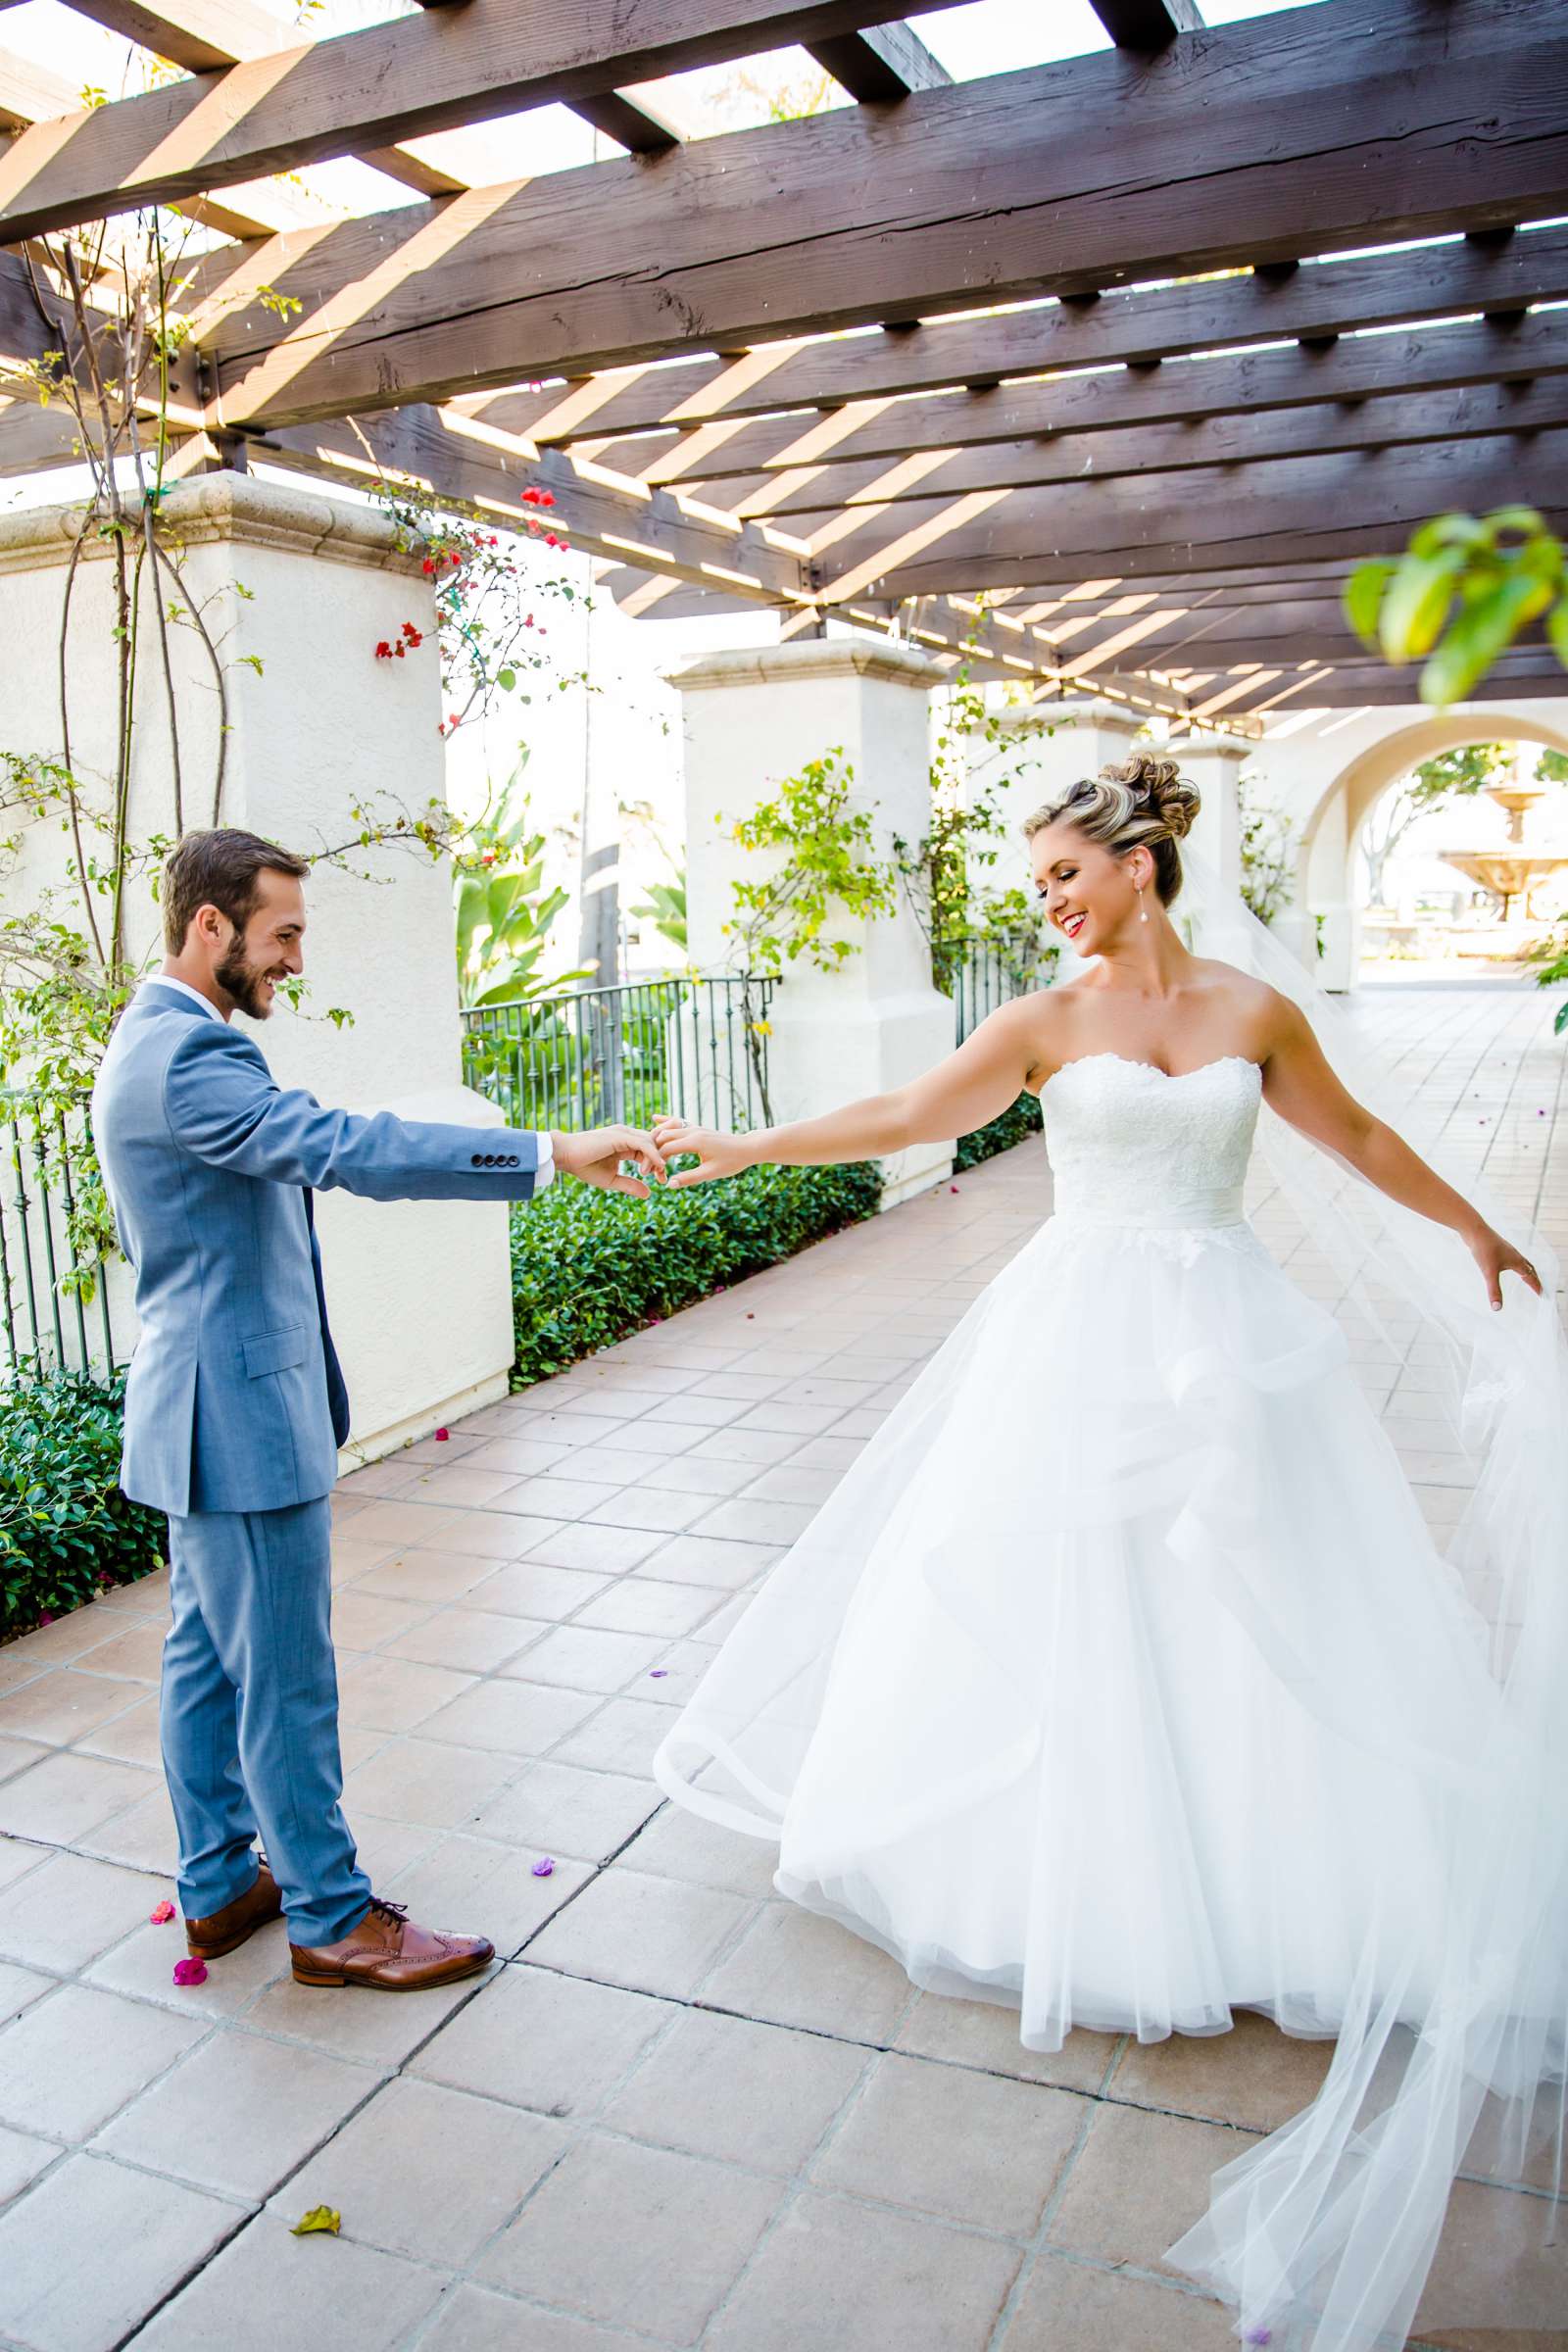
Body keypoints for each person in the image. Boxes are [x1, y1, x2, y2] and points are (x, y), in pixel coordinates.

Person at [649, 755, 1566, 2349]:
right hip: (1073, 1345)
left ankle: (1263, 1868)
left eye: (1066, 874)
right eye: (1041, 884)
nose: (1050, 901)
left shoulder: (1252, 1012)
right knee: (1082, 1601)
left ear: (1141, 866)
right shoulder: (1044, 1024)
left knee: (1251, 1603)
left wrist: (1471, 1226)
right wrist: (738, 1146)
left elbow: (1353, 1135)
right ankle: (1099, 1875)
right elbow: (904, 1112)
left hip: (1230, 1345)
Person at [92, 828, 663, 1992]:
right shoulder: (192, 1061)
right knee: (285, 1677)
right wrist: (546, 1150)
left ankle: (219, 1886)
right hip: (238, 1422)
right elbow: (348, 1148)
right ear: (211, 927)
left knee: (208, 1661)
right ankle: (331, 1916)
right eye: (282, 933)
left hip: (200, 1410)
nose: (295, 959)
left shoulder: (157, 1039)